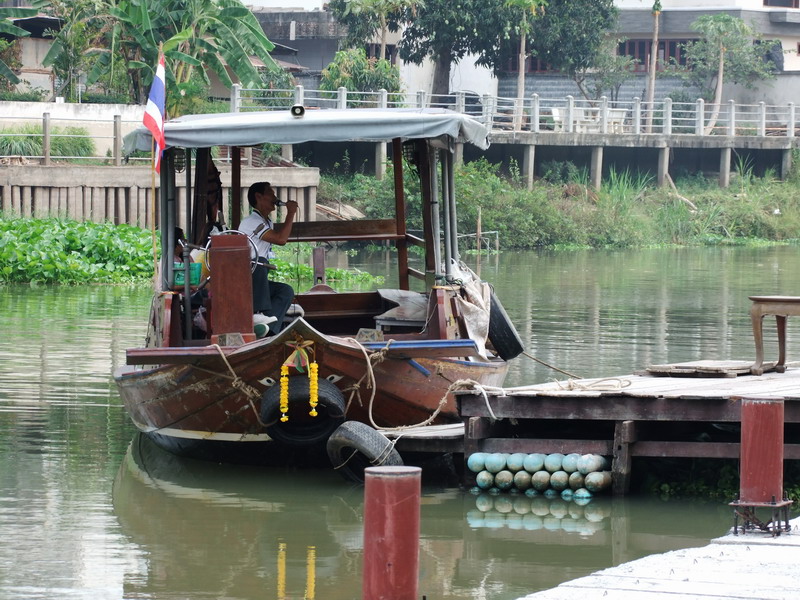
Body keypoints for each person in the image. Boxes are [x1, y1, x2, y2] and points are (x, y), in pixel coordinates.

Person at [238, 182, 298, 336]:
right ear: (259, 197)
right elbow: (281, 239)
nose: (275, 198)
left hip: (260, 278)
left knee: (286, 291)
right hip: (248, 276)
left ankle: (268, 331)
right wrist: (290, 213)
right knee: (261, 262)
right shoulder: (251, 222)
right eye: (271, 194)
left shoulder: (267, 222)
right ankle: (257, 314)